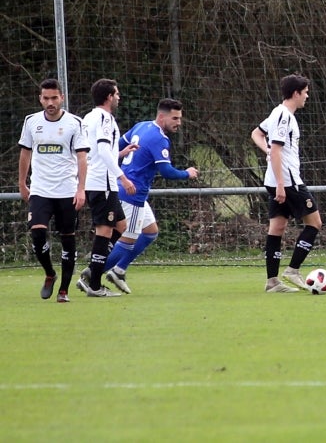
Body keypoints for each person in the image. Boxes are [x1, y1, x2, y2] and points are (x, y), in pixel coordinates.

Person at [102, 98, 199, 293]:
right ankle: (92, 275)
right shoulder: (159, 138)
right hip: (133, 194)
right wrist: (187, 173)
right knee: (128, 240)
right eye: (175, 118)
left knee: (150, 231)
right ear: (162, 117)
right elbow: (166, 171)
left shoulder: (142, 126)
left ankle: (118, 270)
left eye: (180, 118)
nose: (178, 122)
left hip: (124, 188)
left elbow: (116, 146)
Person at [18, 78, 89, 302]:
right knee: (37, 232)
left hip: (67, 190)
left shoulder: (75, 123)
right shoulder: (31, 121)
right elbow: (25, 154)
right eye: (46, 98)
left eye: (54, 98)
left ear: (62, 98)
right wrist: (22, 183)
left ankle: (64, 291)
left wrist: (81, 189)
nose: (50, 102)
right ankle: (50, 273)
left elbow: (82, 158)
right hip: (40, 189)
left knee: (67, 239)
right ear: (40, 99)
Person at [250, 74, 323, 293]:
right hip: (288, 181)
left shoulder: (276, 112)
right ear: (296, 93)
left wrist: (268, 151)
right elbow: (277, 150)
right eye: (306, 92)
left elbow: (256, 134)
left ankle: (272, 282)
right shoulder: (284, 116)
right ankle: (293, 270)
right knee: (314, 223)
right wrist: (282, 185)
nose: (307, 96)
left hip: (274, 180)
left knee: (277, 227)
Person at [75, 79, 137, 297]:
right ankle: (94, 286)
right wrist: (123, 178)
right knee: (105, 231)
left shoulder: (88, 117)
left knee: (121, 225)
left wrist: (120, 153)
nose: (119, 97)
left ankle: (93, 271)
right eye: (117, 94)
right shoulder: (105, 118)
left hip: (96, 180)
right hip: (103, 183)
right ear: (109, 96)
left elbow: (95, 152)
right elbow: (101, 150)